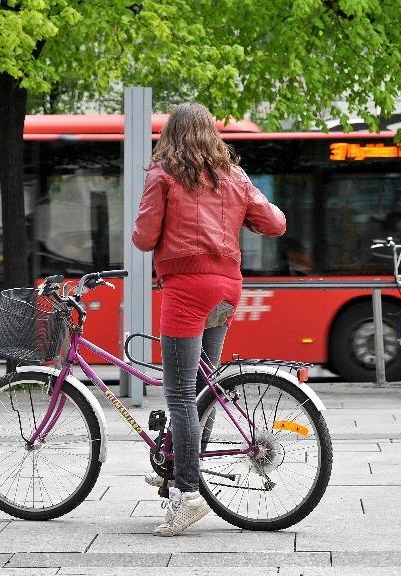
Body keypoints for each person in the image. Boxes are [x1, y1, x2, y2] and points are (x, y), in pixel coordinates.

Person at [132, 102, 286, 536]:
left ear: (171, 136)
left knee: (180, 394)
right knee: (206, 388)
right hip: (227, 289)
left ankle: (188, 493)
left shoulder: (163, 175)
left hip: (186, 289)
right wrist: (243, 219)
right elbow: (275, 223)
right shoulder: (234, 177)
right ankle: (184, 471)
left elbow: (143, 238)